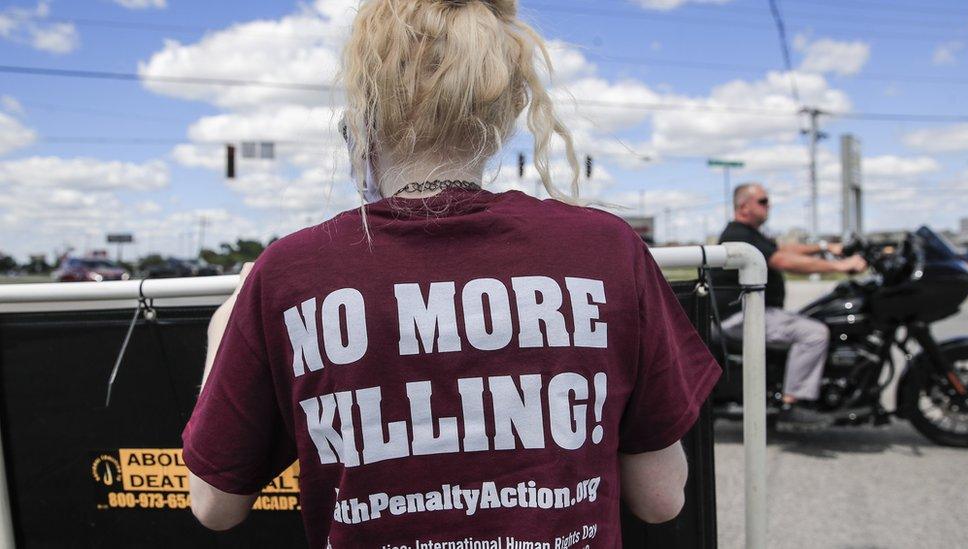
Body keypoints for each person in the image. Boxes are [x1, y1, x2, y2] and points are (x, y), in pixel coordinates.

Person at [182, 1, 721, 547]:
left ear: (362, 120)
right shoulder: (607, 251)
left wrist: (225, 324)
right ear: (500, 115)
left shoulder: (290, 274)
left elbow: (214, 505)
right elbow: (660, 499)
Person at [713, 183, 867, 430]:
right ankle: (794, 403)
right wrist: (839, 266)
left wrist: (827, 247)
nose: (768, 205)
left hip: (755, 312)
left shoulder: (751, 234)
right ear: (743, 206)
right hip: (739, 317)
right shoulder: (737, 234)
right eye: (762, 201)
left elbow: (784, 249)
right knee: (814, 333)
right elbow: (782, 259)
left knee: (814, 320)